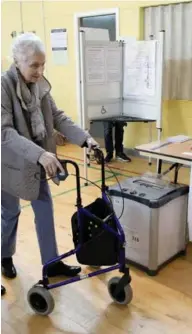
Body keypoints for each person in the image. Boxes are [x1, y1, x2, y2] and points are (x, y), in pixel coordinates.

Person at [1, 33, 99, 292]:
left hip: (36, 162)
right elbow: (4, 132)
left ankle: (51, 263)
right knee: (9, 214)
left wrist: (85, 139)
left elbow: (56, 116)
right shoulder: (3, 86)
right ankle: (4, 256)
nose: (39, 70)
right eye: (34, 65)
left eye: (42, 64)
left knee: (44, 209)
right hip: (8, 163)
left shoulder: (40, 85)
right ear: (17, 61)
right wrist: (40, 154)